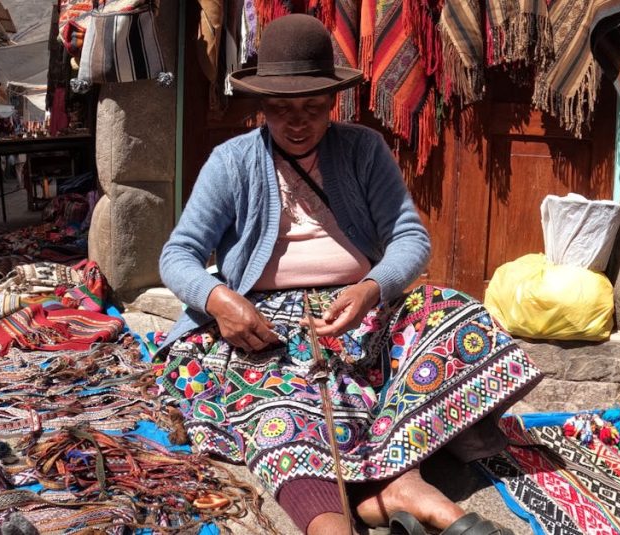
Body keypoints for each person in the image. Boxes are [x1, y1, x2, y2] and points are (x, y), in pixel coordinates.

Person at [157, 14, 541, 535]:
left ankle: (404, 486)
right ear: (262, 105)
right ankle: (348, 519)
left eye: (313, 108)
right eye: (281, 109)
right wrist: (220, 299)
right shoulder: (232, 162)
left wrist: (372, 287)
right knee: (285, 398)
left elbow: (410, 238)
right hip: (263, 321)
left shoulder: (362, 149)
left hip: (358, 307)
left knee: (459, 320)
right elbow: (179, 255)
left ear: (334, 101)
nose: (298, 123)